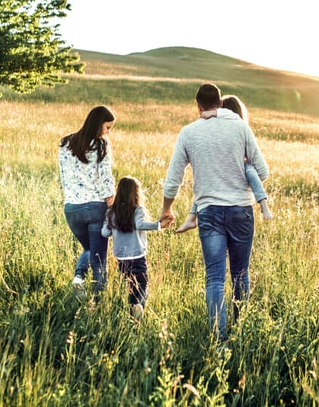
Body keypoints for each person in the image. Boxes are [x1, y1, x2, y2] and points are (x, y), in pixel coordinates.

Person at [160, 83, 270, 341]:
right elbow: (262, 172)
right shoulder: (241, 127)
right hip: (241, 210)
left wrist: (167, 209)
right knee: (241, 273)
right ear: (220, 104)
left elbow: (173, 179)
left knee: (215, 278)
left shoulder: (188, 133)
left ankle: (218, 340)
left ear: (198, 105)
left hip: (209, 213)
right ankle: (240, 330)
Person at [176, 94, 273, 234]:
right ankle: (191, 218)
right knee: (206, 186)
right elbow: (263, 173)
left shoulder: (238, 129)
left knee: (248, 170)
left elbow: (262, 172)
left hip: (236, 177)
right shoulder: (238, 129)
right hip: (237, 204)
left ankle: (263, 204)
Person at [58, 105, 116, 294]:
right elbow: (106, 178)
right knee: (99, 259)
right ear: (98, 124)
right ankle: (98, 301)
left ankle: (78, 279)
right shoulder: (101, 144)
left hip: (71, 208)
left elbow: (64, 176)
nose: (108, 132)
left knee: (90, 248)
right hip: (95, 208)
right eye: (107, 127)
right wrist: (112, 207)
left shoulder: (66, 143)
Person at [102, 176, 165, 320]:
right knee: (143, 285)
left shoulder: (111, 212)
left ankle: (133, 315)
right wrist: (158, 225)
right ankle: (139, 306)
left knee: (130, 287)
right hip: (137, 256)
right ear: (135, 193)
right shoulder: (138, 210)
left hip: (121, 258)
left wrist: (108, 220)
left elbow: (105, 233)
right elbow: (140, 224)